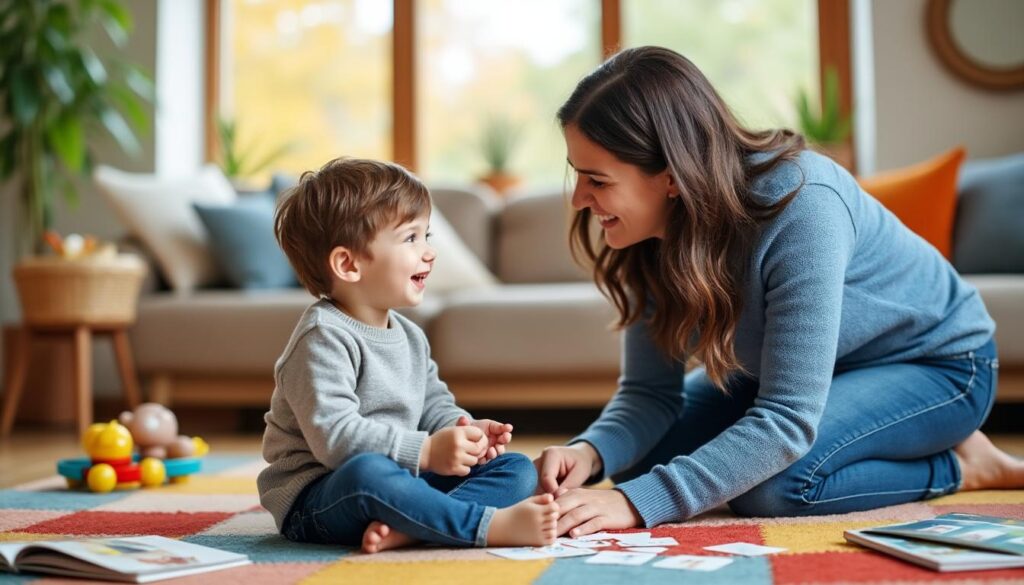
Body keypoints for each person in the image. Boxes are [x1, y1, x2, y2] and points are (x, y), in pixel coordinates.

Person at [534, 46, 1024, 537]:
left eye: (597, 179)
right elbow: (648, 394)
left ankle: (963, 466)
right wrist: (588, 452)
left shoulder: (802, 204)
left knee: (773, 487)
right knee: (643, 464)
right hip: (796, 371)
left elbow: (787, 418)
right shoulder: (649, 236)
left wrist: (638, 506)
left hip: (937, 365)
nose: (579, 199)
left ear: (670, 177)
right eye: (578, 173)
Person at [258, 158, 558, 553]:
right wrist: (430, 451)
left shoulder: (410, 336)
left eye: (426, 235)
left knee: (517, 470)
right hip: (321, 497)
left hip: (404, 481)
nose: (429, 252)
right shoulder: (321, 338)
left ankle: (415, 527)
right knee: (367, 471)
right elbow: (336, 440)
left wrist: (463, 430)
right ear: (348, 264)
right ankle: (482, 526)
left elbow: (432, 403)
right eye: (411, 238)